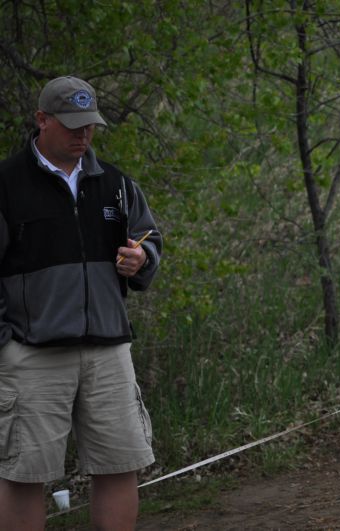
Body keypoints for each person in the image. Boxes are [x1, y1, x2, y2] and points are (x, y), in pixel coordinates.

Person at [0, 75, 162, 530]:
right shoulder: (7, 184)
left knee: (119, 464)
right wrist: (6, 343)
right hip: (32, 354)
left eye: (89, 126)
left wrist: (140, 259)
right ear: (41, 120)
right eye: (72, 125)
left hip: (109, 350)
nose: (82, 135)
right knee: (25, 475)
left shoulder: (114, 183)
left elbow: (152, 245)